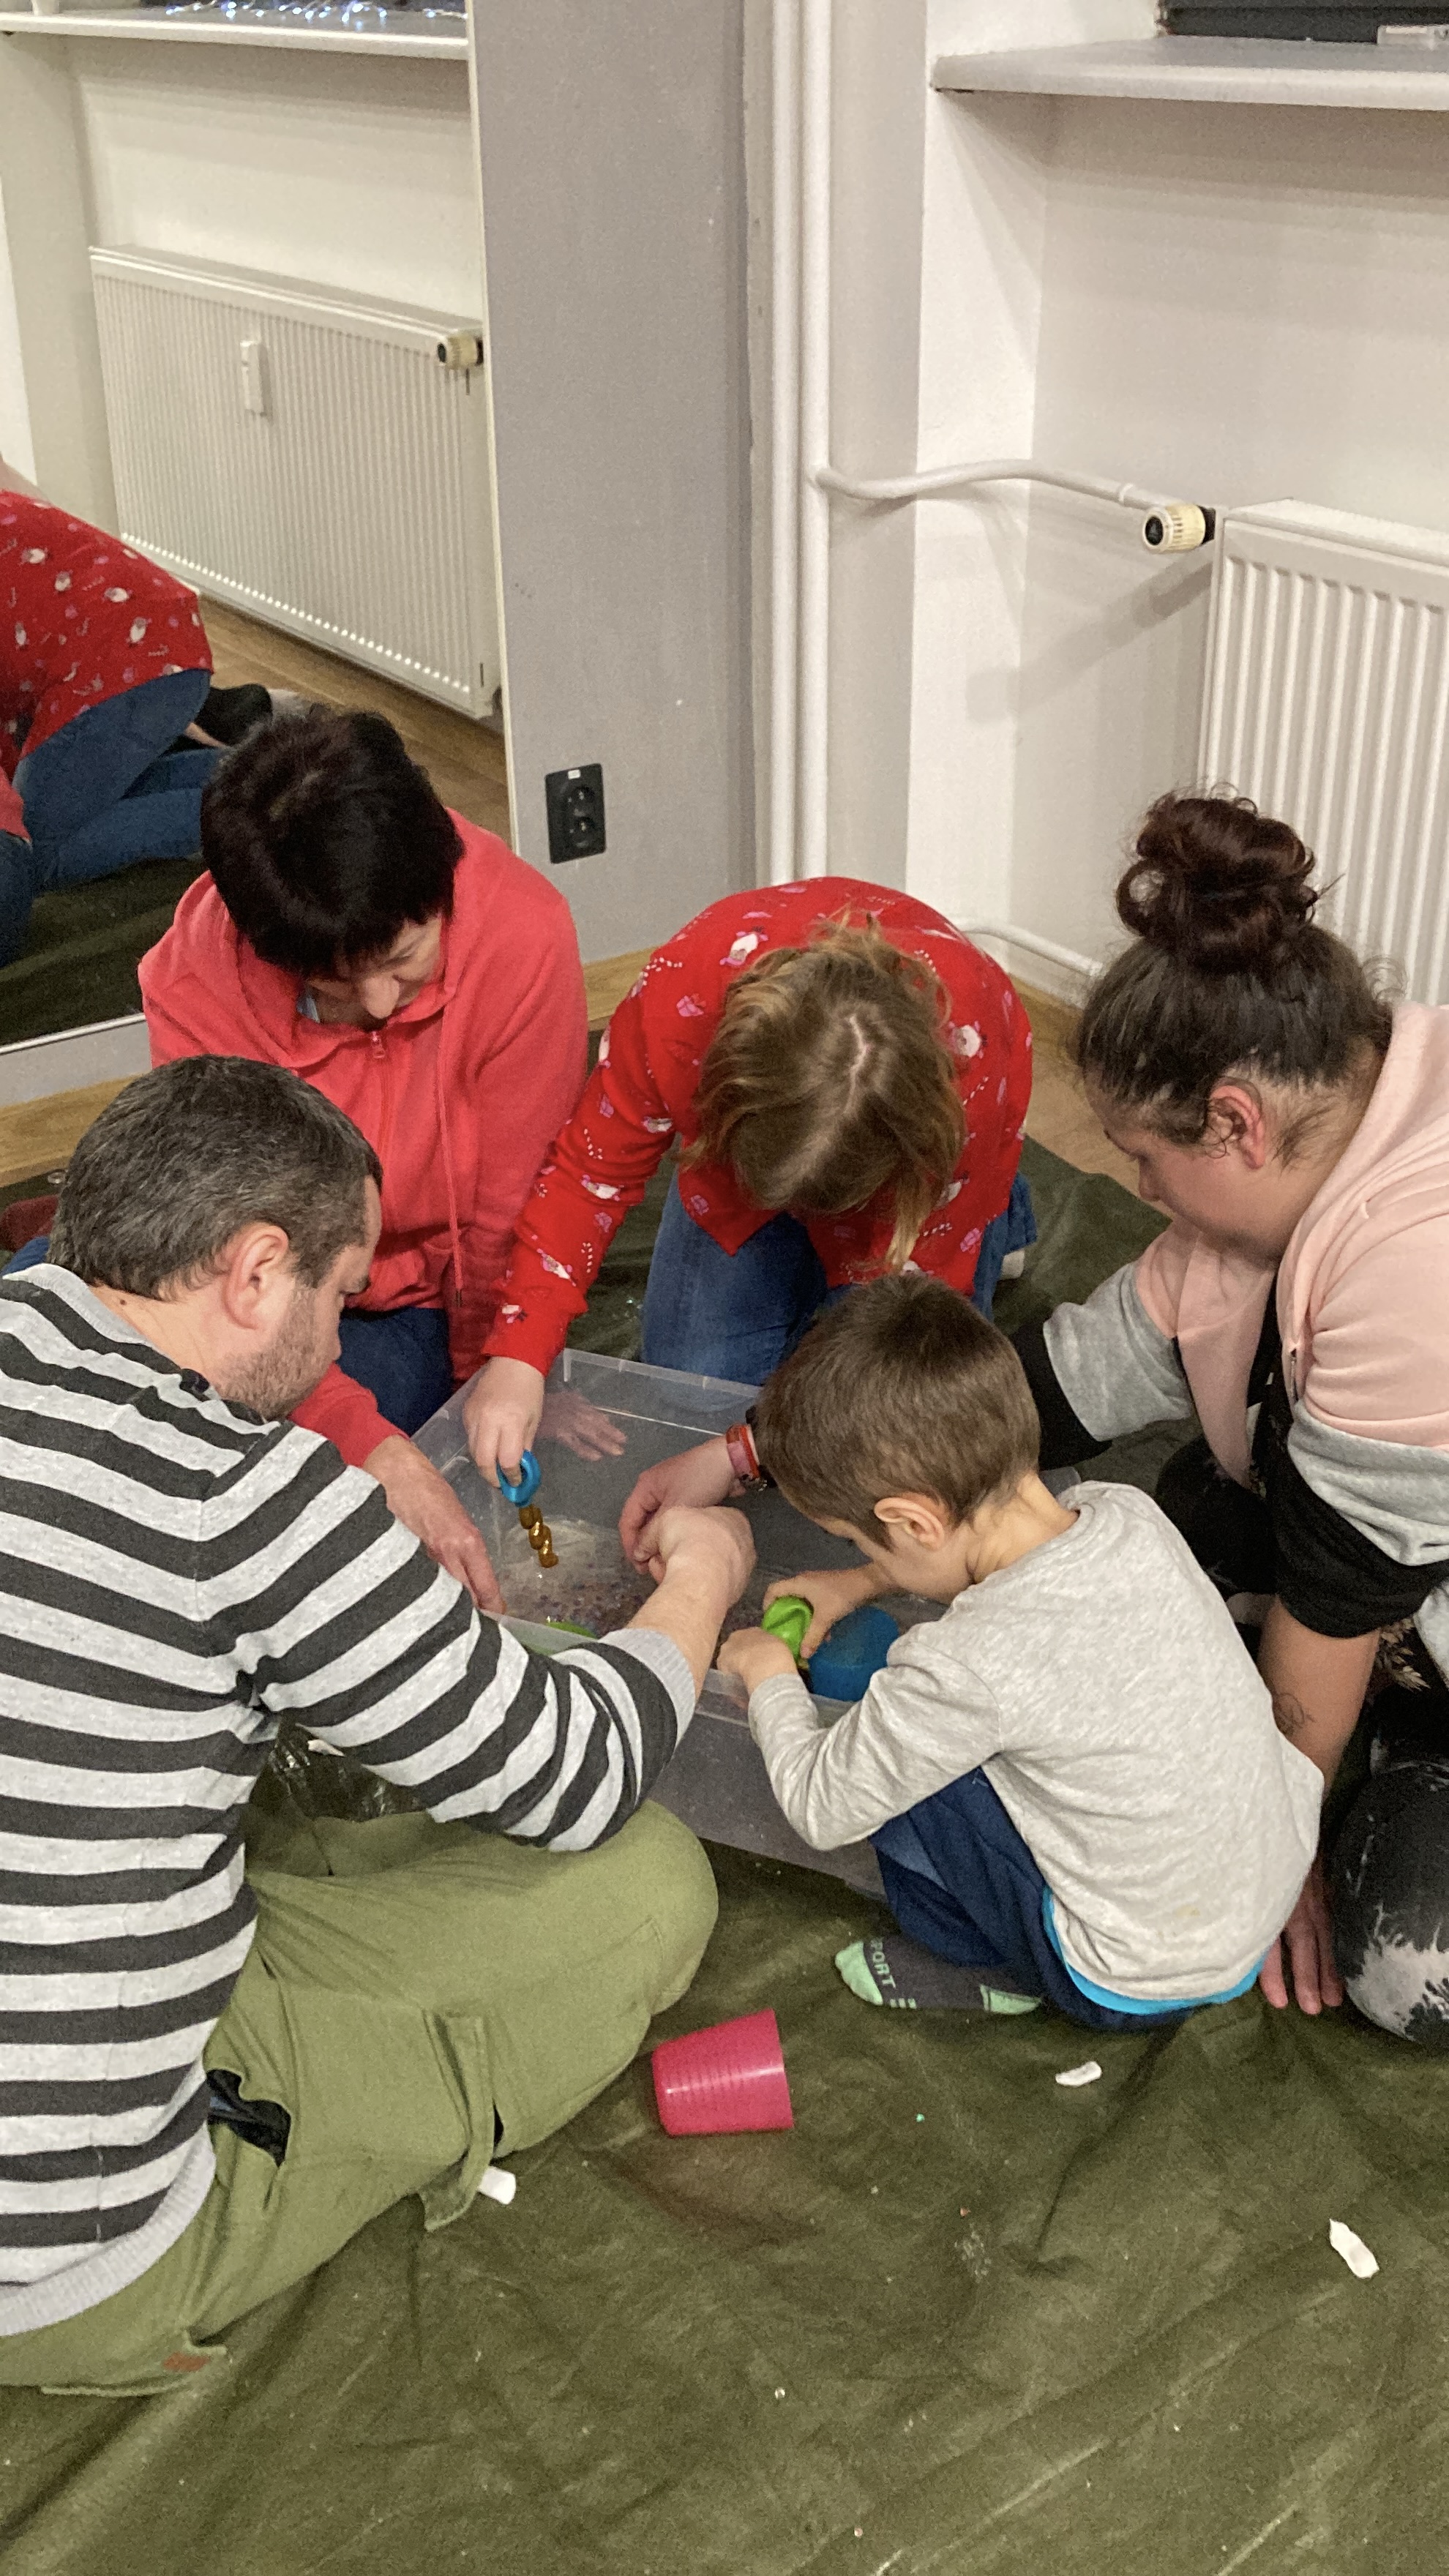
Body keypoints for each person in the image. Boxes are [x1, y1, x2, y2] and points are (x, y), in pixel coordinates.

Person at [0, 1057, 752, 2395]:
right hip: (60, 2249)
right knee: (647, 1880)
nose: (341, 1348)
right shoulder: (245, 1497)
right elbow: (577, 1771)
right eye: (342, 1295)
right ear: (256, 1270)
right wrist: (703, 1580)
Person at [1002, 791, 1449, 2044]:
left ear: (1236, 1123)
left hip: (1390, 1587)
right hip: (1376, 1562)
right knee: (1149, 1535)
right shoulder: (1328, 1129)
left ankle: (1410, 1745)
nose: (1142, 1191)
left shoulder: (1419, 1266)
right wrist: (766, 1446)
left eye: (1147, 1160)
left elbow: (1340, 1596)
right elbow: (1067, 1381)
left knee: (1412, 1972)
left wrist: (1266, 1843)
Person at [716, 1276, 1321, 2027]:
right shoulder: (1124, 1513)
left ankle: (984, 1960)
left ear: (914, 1521)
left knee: (898, 1755)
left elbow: (822, 1804)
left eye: (856, 1540)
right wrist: (864, 1578)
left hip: (1129, 1978)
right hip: (1257, 1895)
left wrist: (770, 1676)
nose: (857, 1554)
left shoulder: (964, 1667)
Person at [139, 705, 591, 1611]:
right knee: (144, 1407)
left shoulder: (522, 933)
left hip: (422, 1301)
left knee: (270, 1494)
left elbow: (513, 1209)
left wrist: (508, 1361)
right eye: (334, 987)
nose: (383, 1005)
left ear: (442, 882)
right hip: (278, 1298)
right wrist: (373, 1444)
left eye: (406, 959)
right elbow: (226, 1279)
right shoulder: (193, 986)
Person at [464, 882, 1036, 1488]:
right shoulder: (675, 1009)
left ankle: (1003, 1217)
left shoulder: (966, 1088)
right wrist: (519, 1356)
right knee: (692, 1389)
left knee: (903, 1417)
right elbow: (588, 1176)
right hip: (744, 1163)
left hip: (925, 1183)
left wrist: (748, 1452)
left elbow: (901, 1343)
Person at [0, 480, 269, 965]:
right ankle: (277, 779)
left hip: (113, 662)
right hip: (156, 637)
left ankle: (264, 813)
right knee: (87, 800)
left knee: (35, 854)